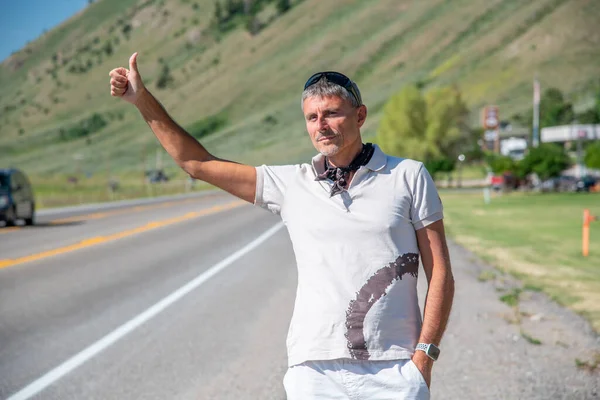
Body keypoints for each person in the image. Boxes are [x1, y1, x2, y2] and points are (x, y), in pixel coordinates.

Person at [109, 53, 455, 400]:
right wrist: (142, 100)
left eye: (332, 113)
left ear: (360, 115)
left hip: (392, 368)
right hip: (314, 372)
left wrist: (424, 357)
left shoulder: (408, 175)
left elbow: (439, 269)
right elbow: (195, 163)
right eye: (312, 117)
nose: (321, 125)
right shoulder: (292, 184)